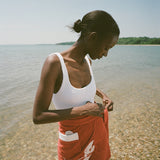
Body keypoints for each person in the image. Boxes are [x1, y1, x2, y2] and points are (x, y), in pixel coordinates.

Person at [33, 10, 120, 160]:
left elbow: (81, 88)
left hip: (96, 133)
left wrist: (103, 95)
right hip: (73, 141)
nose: (105, 54)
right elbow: (38, 116)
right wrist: (83, 110)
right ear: (93, 37)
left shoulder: (88, 62)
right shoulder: (55, 63)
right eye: (106, 47)